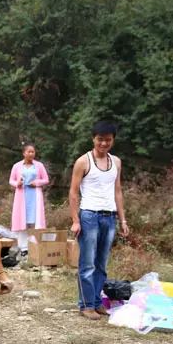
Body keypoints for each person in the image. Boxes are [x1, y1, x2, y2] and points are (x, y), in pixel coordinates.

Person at [69, 121, 129, 321]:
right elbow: (73, 192)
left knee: (101, 264)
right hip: (89, 216)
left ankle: (96, 302)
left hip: (109, 216)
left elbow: (118, 191)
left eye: (108, 140)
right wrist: (75, 220)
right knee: (87, 264)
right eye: (100, 139)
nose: (104, 143)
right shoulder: (83, 162)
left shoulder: (116, 162)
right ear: (93, 139)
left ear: (113, 140)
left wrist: (123, 219)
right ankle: (85, 305)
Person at [9, 143, 50, 254]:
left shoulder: (39, 165)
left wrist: (36, 183)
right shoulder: (17, 166)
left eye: (33, 152)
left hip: (35, 195)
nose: (31, 154)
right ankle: (24, 248)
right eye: (29, 152)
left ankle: (35, 245)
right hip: (21, 195)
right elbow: (11, 180)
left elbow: (46, 179)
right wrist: (17, 183)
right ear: (24, 153)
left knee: (34, 220)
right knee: (22, 221)